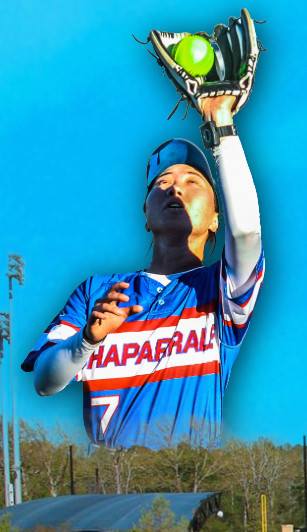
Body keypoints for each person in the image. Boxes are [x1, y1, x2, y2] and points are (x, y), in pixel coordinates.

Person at [21, 84, 263, 450]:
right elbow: (44, 381)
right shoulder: (98, 292)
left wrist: (222, 124)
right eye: (162, 182)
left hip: (190, 483)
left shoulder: (219, 290)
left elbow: (245, 231)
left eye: (192, 182)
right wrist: (87, 340)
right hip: (116, 489)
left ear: (216, 217)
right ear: (146, 216)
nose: (175, 189)